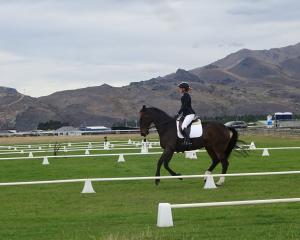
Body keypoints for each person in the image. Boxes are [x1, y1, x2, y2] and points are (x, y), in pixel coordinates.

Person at [176, 82, 196, 147]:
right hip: (186, 114)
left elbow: (184, 106)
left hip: (190, 114)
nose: (179, 89)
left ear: (183, 89)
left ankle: (188, 141)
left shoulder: (186, 95)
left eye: (180, 88)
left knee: (183, 126)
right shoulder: (184, 95)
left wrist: (178, 113)